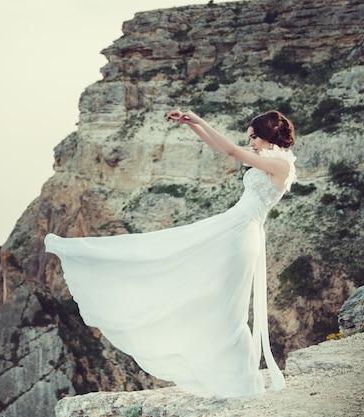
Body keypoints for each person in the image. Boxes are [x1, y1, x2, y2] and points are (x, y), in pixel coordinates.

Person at [44, 109, 297, 398]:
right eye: (249, 138)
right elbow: (221, 147)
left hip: (241, 234)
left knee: (229, 308)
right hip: (232, 228)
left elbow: (228, 149)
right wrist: (192, 125)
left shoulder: (280, 165)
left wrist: (201, 119)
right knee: (187, 267)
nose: (250, 142)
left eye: (254, 137)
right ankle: (234, 381)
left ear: (269, 135)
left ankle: (240, 384)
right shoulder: (269, 161)